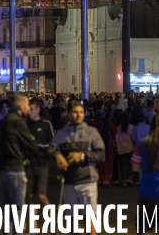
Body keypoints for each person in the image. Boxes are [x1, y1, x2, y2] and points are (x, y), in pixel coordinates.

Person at [51, 100, 106, 235]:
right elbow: (50, 149)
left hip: (88, 181)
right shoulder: (62, 134)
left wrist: (81, 156)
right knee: (71, 220)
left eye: (81, 112)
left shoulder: (91, 132)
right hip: (69, 182)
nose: (78, 115)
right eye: (75, 112)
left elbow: (101, 154)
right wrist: (58, 156)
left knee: (90, 219)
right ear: (68, 113)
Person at [0, 94, 39, 235]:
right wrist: (31, 139)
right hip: (15, 169)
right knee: (18, 209)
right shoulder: (18, 122)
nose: (29, 108)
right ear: (21, 107)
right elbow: (32, 145)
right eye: (27, 105)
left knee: (8, 209)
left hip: (3, 169)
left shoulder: (3, 121)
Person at [26, 98, 54, 231]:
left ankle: (53, 222)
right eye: (28, 109)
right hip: (29, 164)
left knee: (41, 195)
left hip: (42, 163)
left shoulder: (46, 124)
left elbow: (52, 143)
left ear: (38, 109)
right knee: (30, 197)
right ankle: (34, 228)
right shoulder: (26, 125)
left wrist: (37, 145)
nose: (29, 112)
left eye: (32, 109)